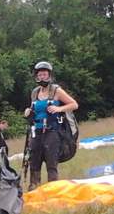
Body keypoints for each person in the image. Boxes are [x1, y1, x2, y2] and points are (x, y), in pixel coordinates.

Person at [23, 61, 78, 190]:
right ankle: (34, 190)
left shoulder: (56, 90)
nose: (42, 77)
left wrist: (59, 109)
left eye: (44, 74)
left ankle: (53, 191)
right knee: (34, 163)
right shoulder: (35, 92)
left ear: (49, 75)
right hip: (36, 131)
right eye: (40, 75)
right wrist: (28, 112)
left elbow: (74, 104)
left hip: (52, 131)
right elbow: (34, 109)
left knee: (51, 164)